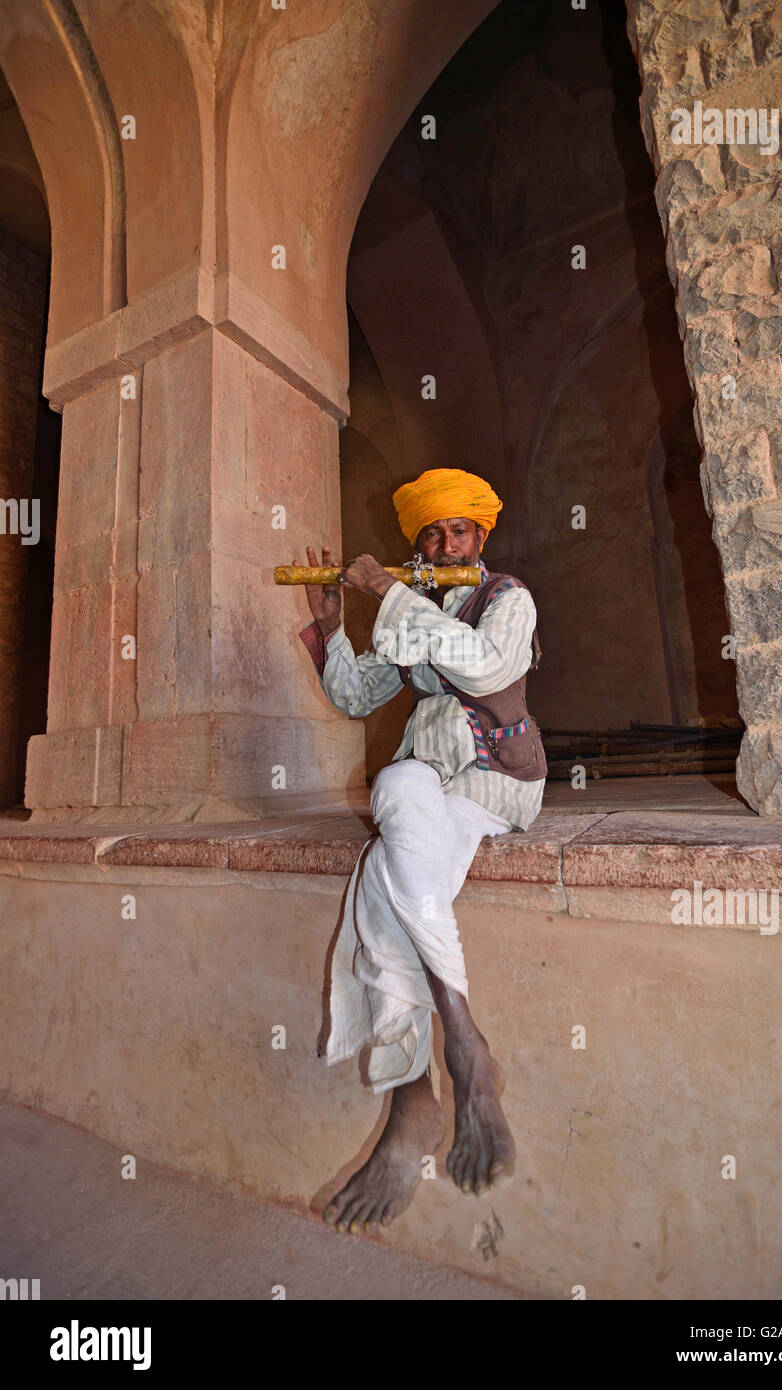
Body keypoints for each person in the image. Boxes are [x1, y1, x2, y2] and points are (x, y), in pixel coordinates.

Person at [296, 467, 546, 1235]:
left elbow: (486, 667)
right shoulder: (416, 610)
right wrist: (335, 624)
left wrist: (389, 594)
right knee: (398, 789)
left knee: (384, 866)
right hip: (424, 787)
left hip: (491, 788)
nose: (442, 544)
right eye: (429, 535)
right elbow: (356, 695)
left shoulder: (507, 597)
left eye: (457, 531)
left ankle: (412, 1101)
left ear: (481, 536)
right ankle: (462, 1042)